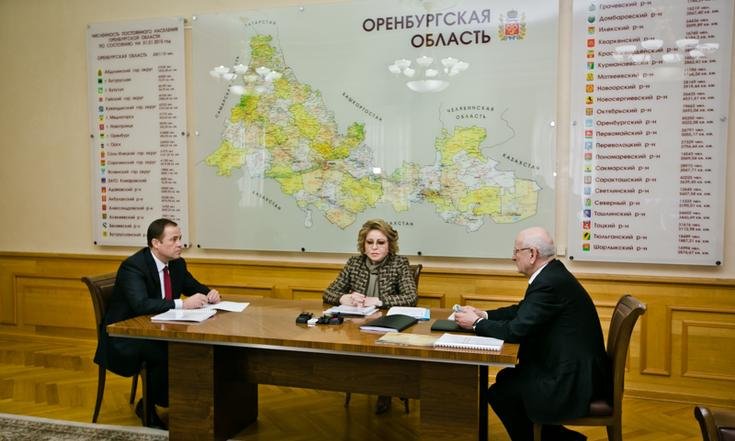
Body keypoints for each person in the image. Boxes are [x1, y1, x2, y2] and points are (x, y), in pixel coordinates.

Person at [454, 227, 609, 441]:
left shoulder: (548, 282)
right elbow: (522, 311)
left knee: (502, 393)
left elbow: (515, 330)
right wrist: (485, 315)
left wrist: (476, 323)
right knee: (506, 379)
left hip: (570, 379)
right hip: (569, 367)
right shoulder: (552, 274)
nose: (513, 257)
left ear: (532, 254)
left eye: (516, 251)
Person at [94, 218, 220, 429]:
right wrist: (182, 304)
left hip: (157, 328)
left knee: (193, 348)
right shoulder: (134, 266)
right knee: (166, 350)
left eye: (180, 238)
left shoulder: (177, 263)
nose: (180, 244)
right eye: (174, 239)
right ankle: (148, 408)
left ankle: (186, 401)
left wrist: (211, 294)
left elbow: (193, 287)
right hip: (125, 335)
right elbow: (141, 304)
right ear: (156, 243)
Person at [323, 218, 417, 413]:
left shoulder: (399, 263)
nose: (374, 247)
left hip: (388, 326)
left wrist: (379, 300)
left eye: (380, 242)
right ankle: (365, 382)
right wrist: (343, 298)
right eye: (370, 242)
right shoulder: (354, 263)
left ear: (389, 245)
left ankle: (386, 390)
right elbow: (328, 293)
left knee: (383, 351)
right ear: (363, 245)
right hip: (357, 326)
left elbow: (410, 297)